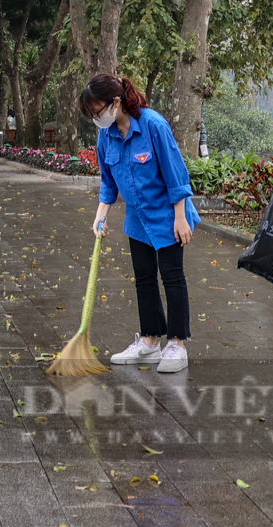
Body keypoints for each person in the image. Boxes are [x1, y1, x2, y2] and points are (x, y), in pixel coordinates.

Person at [84, 74, 199, 374]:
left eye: (98, 112)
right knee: (144, 278)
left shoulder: (152, 125)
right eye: (93, 115)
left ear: (116, 102)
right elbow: (108, 183)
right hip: (137, 218)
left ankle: (177, 343)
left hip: (167, 214)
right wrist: (101, 215)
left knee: (172, 277)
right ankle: (149, 342)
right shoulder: (105, 136)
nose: (97, 119)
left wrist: (180, 217)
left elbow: (176, 174)